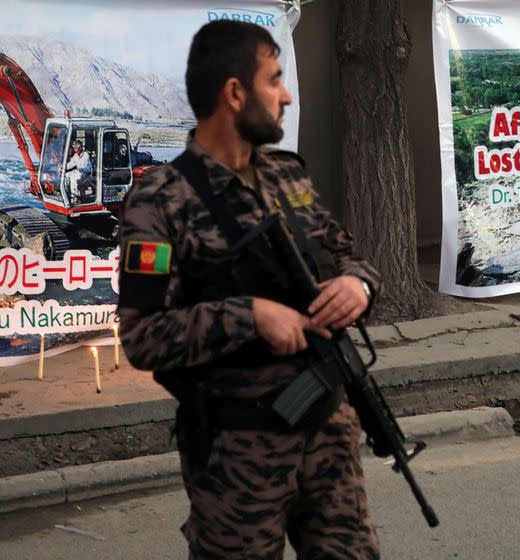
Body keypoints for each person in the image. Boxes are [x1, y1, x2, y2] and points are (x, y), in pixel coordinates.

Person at [117, 20, 382, 560]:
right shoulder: (159, 200)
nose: (286, 96)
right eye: (275, 80)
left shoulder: (290, 178)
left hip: (329, 435)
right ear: (235, 93)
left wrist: (358, 286)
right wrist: (249, 315)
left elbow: (350, 255)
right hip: (237, 456)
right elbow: (142, 337)